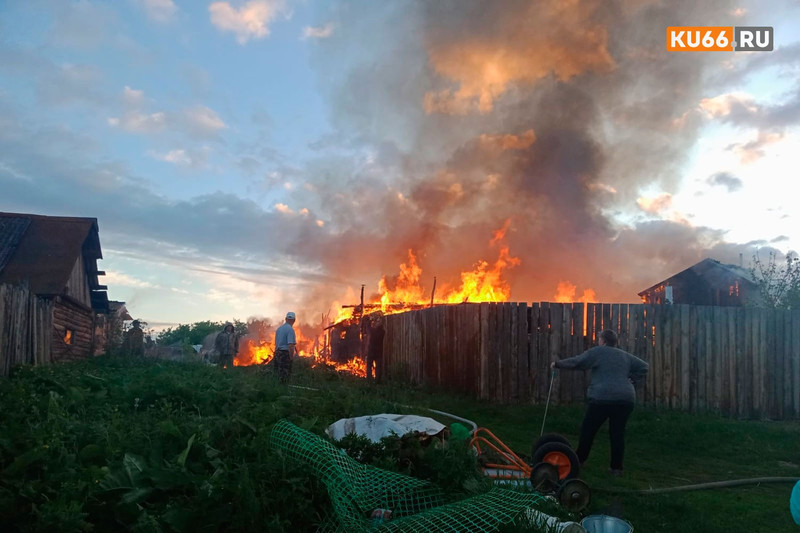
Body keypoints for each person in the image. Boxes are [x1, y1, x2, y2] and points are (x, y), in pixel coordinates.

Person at [550, 329, 648, 477]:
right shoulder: (624, 356)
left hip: (603, 398)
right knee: (617, 433)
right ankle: (616, 469)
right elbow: (644, 366)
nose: (598, 341)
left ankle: (579, 460)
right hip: (626, 399)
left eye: (599, 339)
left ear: (603, 341)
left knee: (588, 429)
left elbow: (578, 362)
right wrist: (632, 380)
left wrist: (557, 364)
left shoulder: (598, 352)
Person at [274, 312, 297, 382]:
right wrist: (291, 357)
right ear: (294, 320)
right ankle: (284, 389)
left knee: (278, 373)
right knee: (285, 375)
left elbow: (276, 343)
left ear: (285, 319)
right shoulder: (290, 330)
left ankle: (277, 389)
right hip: (285, 354)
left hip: (277, 353)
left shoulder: (279, 329)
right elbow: (290, 345)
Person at [366, 312, 385, 381]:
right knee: (378, 367)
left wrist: (371, 320)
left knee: (369, 365)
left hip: (371, 351)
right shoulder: (382, 332)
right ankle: (377, 380)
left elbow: (367, 327)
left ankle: (369, 379)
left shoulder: (373, 331)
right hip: (379, 351)